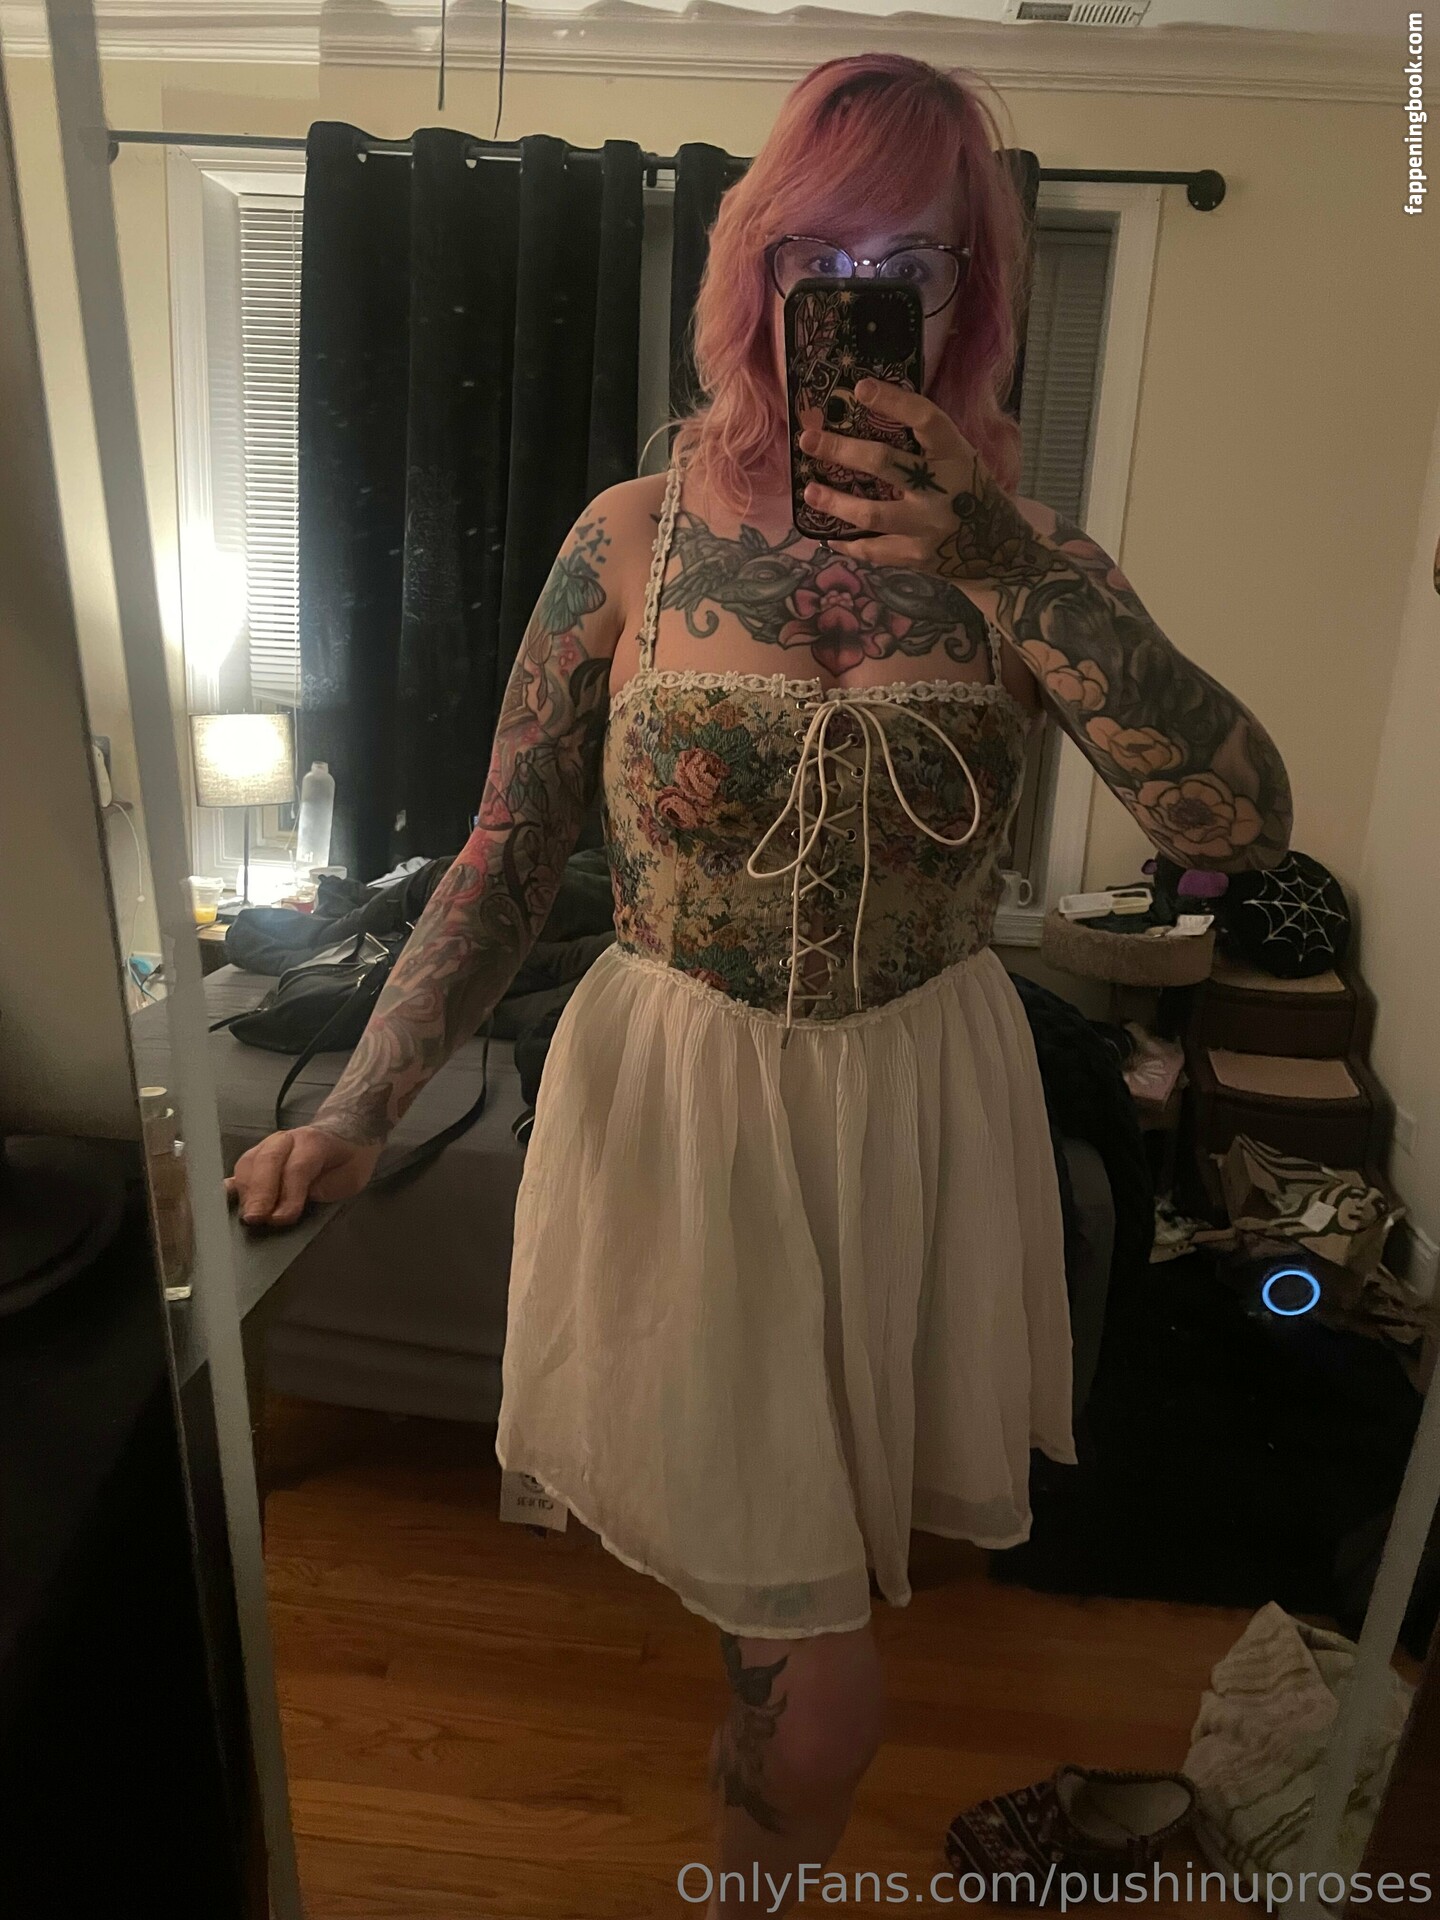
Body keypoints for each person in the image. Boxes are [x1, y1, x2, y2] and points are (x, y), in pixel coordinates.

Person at [229, 54, 1291, 1913]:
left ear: (973, 288)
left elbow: (1238, 827)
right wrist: (357, 1107)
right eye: (816, 251)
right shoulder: (629, 539)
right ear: (753, 269)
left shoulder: (1036, 564)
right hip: (686, 1110)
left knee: (819, 1579)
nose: (856, 293)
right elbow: (507, 849)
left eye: (910, 259)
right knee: (815, 1679)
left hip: (920, 1110)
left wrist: (1002, 561)